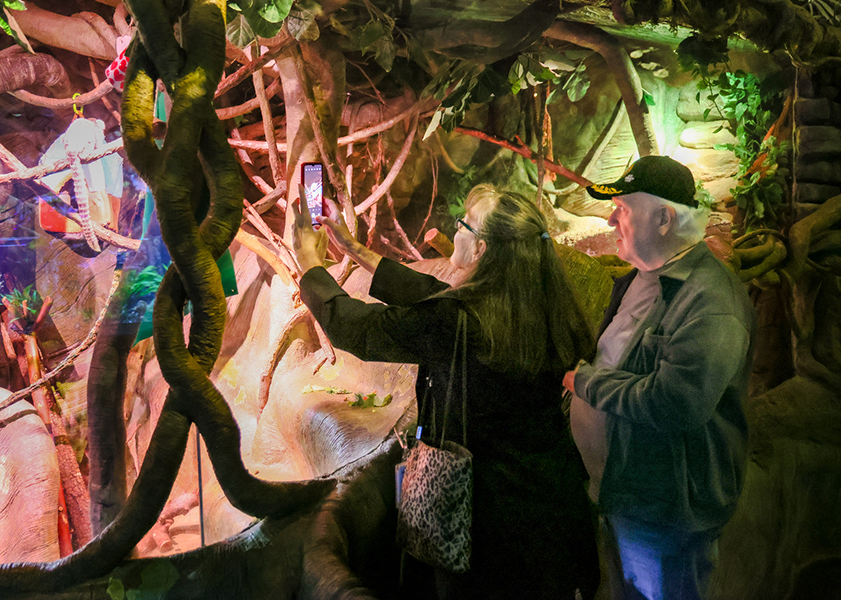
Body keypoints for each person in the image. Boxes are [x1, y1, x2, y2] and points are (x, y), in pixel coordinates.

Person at [293, 184, 600, 600]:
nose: (454, 230)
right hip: (549, 507)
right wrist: (352, 248)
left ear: (481, 249)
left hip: (479, 524)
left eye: (463, 224)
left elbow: (356, 327)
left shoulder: (459, 322)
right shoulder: (541, 303)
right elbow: (433, 297)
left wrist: (309, 263)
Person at [562, 156, 757, 600]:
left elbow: (677, 402)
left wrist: (585, 384)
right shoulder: (642, 277)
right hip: (622, 497)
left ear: (664, 218)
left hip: (666, 515)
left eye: (624, 208)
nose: (610, 218)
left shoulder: (712, 301)